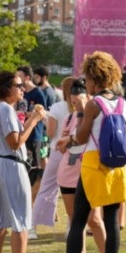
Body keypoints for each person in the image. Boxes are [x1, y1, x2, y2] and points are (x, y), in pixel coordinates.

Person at [64, 51, 126, 253]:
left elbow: (80, 138)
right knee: (112, 221)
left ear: (93, 78)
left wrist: (80, 112)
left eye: (87, 79)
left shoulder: (93, 104)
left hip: (93, 165)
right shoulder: (123, 104)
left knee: (78, 220)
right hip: (116, 168)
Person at [0, 71, 46, 253]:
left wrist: (30, 119)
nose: (22, 89)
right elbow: (15, 142)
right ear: (6, 89)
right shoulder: (5, 110)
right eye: (18, 86)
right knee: (20, 222)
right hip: (11, 166)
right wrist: (35, 120)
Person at [55, 78, 106, 253]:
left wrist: (83, 113)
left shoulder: (95, 116)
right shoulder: (69, 118)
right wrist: (67, 140)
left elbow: (83, 138)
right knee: (75, 219)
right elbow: (64, 146)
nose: (75, 98)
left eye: (79, 93)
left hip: (89, 171)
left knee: (95, 220)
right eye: (72, 94)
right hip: (68, 173)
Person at [33, 77, 75, 228]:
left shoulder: (57, 107)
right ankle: (72, 229)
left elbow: (51, 133)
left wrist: (45, 120)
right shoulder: (82, 107)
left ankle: (33, 227)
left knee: (46, 188)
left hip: (58, 151)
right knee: (74, 192)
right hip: (76, 152)